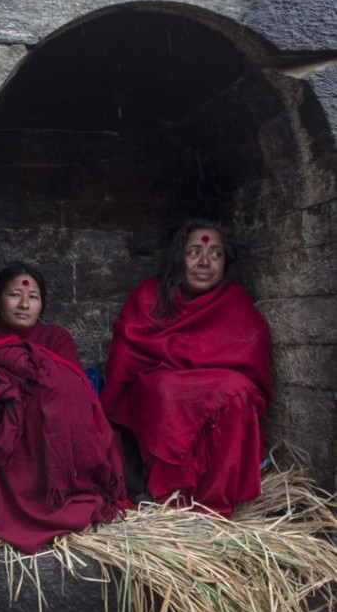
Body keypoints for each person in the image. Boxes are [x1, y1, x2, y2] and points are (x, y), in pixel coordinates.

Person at [100, 221, 272, 516]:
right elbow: (125, 364)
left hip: (215, 390)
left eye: (215, 254)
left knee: (238, 393)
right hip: (159, 389)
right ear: (178, 257)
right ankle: (172, 496)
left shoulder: (234, 302)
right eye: (195, 252)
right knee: (167, 389)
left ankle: (215, 503)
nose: (204, 262)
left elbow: (251, 360)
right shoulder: (150, 296)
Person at [0, 263, 126, 554]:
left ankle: (50, 499)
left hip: (47, 433)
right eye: (14, 295)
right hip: (1, 433)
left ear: (42, 305)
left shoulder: (56, 338)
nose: (24, 304)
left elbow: (72, 391)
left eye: (33, 297)